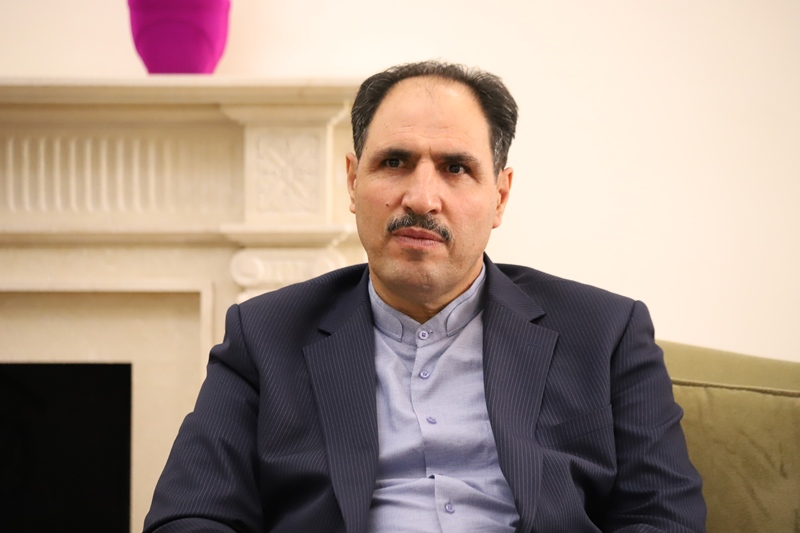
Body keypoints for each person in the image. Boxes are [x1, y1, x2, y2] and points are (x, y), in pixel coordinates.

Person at [144, 61, 706, 532]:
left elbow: (664, 518)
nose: (421, 197)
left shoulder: (606, 334)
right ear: (352, 182)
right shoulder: (265, 336)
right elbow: (190, 516)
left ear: (500, 196)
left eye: (456, 168)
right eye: (394, 162)